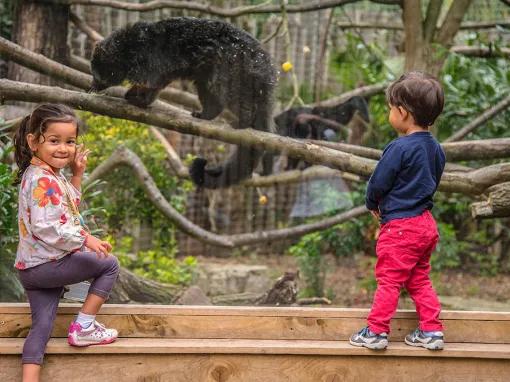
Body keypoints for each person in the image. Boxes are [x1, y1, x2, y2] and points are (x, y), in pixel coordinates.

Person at [13, 104, 120, 382]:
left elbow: (66, 209)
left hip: (32, 270)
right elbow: (46, 226)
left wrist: (77, 175)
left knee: (42, 328)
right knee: (108, 265)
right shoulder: (41, 179)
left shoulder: (46, 175)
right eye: (54, 141)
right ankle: (84, 326)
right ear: (33, 142)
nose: (63, 148)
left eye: (70, 141)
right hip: (48, 266)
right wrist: (86, 237)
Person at [349, 72, 446, 351]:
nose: (390, 113)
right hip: (425, 225)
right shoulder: (436, 149)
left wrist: (372, 203)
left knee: (389, 280)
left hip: (401, 227)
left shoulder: (399, 147)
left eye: (391, 108)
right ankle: (431, 331)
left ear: (402, 112)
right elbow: (432, 181)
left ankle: (376, 331)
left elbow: (378, 182)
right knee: (419, 279)